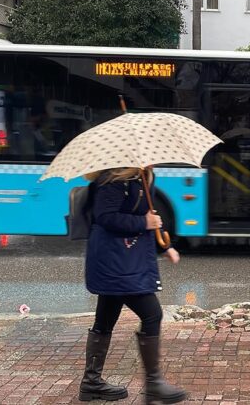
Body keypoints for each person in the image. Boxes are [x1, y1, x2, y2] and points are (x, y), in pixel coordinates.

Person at [78, 167, 188, 404]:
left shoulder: (140, 176)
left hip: (122, 259)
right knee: (152, 314)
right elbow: (105, 216)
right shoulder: (114, 181)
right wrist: (144, 222)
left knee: (105, 318)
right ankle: (154, 384)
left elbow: (146, 218)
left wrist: (164, 247)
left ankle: (91, 382)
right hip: (115, 261)